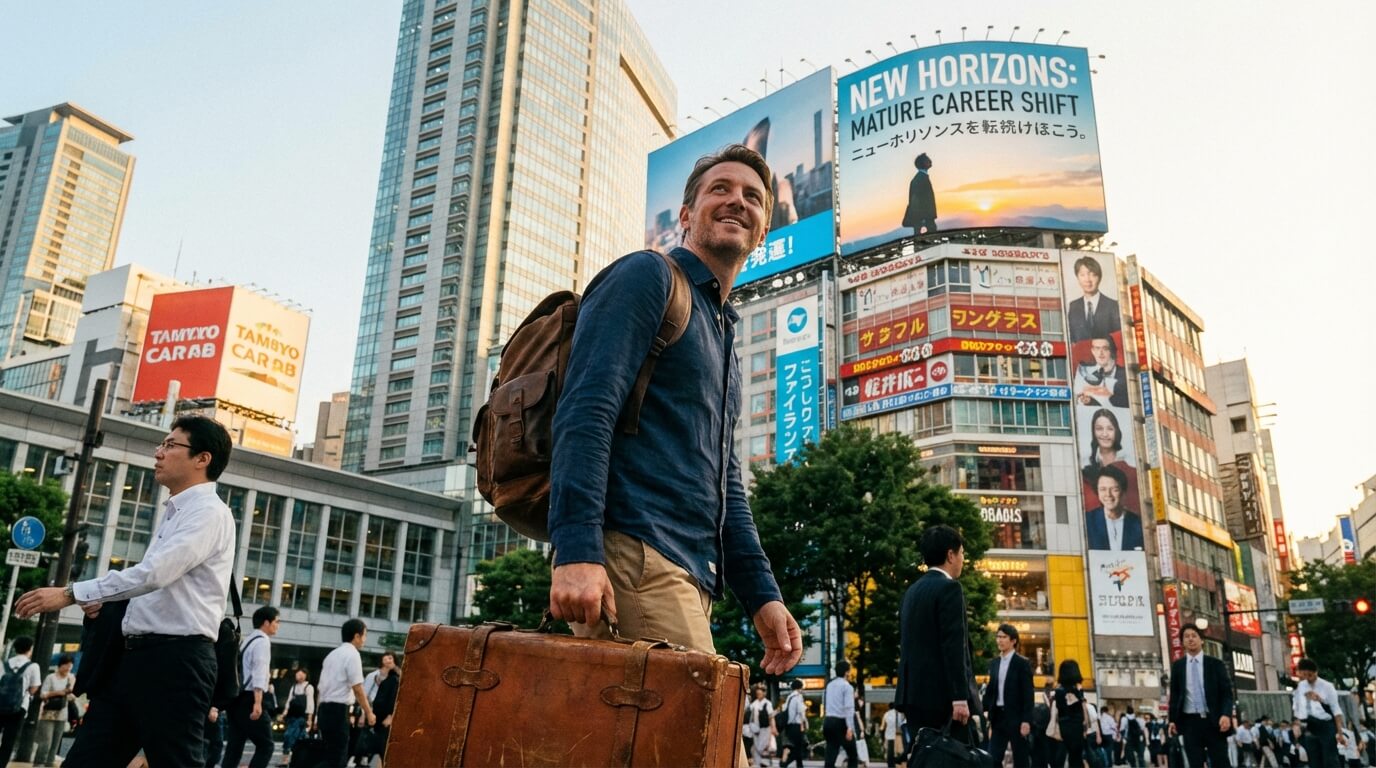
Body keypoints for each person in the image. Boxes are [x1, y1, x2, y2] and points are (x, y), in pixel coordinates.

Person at [546, 144, 801, 679]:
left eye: (753, 198)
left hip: (686, 573)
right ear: (686, 216)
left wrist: (762, 595)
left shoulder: (722, 332)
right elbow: (586, 410)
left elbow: (724, 482)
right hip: (636, 557)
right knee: (709, 745)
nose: (737, 202)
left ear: (762, 232)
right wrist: (575, 549)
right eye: (720, 190)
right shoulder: (648, 277)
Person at [15, 415, 238, 766]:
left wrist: (72, 593)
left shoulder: (209, 512)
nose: (159, 452)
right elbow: (156, 589)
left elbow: (155, 574)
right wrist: (105, 604)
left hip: (175, 664)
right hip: (134, 660)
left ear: (202, 458)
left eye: (170, 444)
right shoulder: (176, 511)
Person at [895, 525, 979, 748]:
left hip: (912, 696)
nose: (962, 559)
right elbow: (954, 645)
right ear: (950, 555)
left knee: (925, 757)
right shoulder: (950, 589)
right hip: (943, 700)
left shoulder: (911, 592)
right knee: (957, 759)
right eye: (961, 553)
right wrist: (960, 698)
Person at [223, 604, 281, 768]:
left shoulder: (247, 640)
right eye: (277, 621)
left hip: (236, 698)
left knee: (234, 746)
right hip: (249, 698)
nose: (278, 625)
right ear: (266, 623)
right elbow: (259, 672)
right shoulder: (262, 641)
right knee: (266, 745)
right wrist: (257, 702)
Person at [1168, 625, 1234, 767]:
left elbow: (1227, 693)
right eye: (1187, 636)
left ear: (1201, 640)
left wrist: (1226, 714)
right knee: (1195, 763)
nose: (1191, 639)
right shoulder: (1178, 667)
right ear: (1182, 642)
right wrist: (1172, 719)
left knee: (1220, 761)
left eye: (1194, 635)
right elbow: (1175, 695)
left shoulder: (1216, 664)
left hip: (1214, 720)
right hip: (1190, 723)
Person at [319, 619, 376, 768]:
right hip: (337, 711)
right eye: (364, 635)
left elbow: (322, 687)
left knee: (330, 756)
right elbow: (357, 688)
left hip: (324, 709)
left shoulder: (331, 655)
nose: (364, 640)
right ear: (357, 636)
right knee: (337, 759)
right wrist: (369, 712)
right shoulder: (352, 655)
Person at [982, 623, 1034, 768]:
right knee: (992, 757)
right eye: (998, 637)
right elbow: (991, 690)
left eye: (1004, 637)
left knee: (1021, 758)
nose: (1000, 640)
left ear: (1013, 641)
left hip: (1016, 717)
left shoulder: (1022, 663)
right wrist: (983, 710)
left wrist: (1026, 720)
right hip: (998, 716)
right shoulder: (994, 663)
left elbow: (1028, 693)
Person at [1080, 408, 1142, 514]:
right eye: (1099, 429)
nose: (1104, 434)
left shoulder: (1131, 464)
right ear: (1093, 432)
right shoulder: (1084, 465)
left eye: (1110, 429)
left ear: (1116, 431)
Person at [1293, 657, 1347, 768]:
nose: (1308, 678)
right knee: (1314, 761)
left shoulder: (1327, 686)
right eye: (1304, 675)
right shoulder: (1302, 686)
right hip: (1310, 725)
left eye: (1310, 675)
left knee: (1330, 760)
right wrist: (1296, 724)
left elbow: (1336, 711)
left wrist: (1340, 733)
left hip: (1326, 725)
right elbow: (1297, 708)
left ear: (1315, 672)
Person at [0, 636, 42, 765]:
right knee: (9, 739)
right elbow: (34, 688)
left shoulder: (4, 663)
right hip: (19, 707)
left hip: (1, 704)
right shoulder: (33, 666)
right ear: (30, 649)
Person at [1084, 465, 1146, 551]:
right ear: (1097, 492)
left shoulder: (1138, 523)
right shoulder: (1087, 521)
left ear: (1123, 492)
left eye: (1114, 489)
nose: (1108, 495)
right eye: (1103, 489)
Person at [31, 653, 76, 767]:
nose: (68, 668)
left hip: (62, 713)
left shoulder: (71, 678)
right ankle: (39, 763)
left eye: (70, 665)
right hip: (48, 713)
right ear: (61, 665)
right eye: (66, 665)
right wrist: (58, 693)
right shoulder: (51, 677)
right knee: (46, 741)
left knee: (56, 742)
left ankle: (49, 763)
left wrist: (70, 689)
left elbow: (72, 696)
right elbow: (43, 694)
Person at [1050, 660, 1095, 768]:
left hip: (1062, 725)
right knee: (1076, 757)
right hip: (1076, 726)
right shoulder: (1077, 691)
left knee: (1060, 755)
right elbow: (1082, 712)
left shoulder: (1058, 691)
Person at [1066, 255, 1121, 343]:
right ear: (1077, 277)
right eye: (1082, 275)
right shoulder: (1073, 306)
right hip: (1080, 356)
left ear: (1099, 278)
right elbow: (1071, 338)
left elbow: (1118, 340)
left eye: (1093, 275)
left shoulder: (1112, 305)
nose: (1087, 280)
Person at [1074, 336, 1129, 408]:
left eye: (1105, 348)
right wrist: (1089, 401)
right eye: (1097, 348)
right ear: (1092, 351)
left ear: (1112, 351)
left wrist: (1107, 396)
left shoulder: (1125, 375)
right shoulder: (1089, 378)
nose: (1100, 353)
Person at [823, 661, 858, 768]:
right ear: (846, 672)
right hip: (840, 722)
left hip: (828, 721)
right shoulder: (847, 687)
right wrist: (850, 727)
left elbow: (825, 703)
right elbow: (849, 708)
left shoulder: (829, 685)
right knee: (852, 754)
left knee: (831, 752)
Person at [282, 668, 316, 767]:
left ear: (305, 675)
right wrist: (285, 712)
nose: (299, 676)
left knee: (289, 736)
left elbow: (310, 703)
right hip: (292, 716)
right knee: (300, 738)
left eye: (301, 674)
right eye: (297, 675)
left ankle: (288, 759)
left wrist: (309, 718)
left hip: (301, 717)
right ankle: (296, 759)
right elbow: (289, 700)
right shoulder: (294, 687)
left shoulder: (308, 687)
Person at [902, 152, 937, 236]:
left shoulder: (921, 177)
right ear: (924, 163)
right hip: (924, 218)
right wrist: (923, 219)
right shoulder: (920, 179)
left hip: (925, 218)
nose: (930, 161)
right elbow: (915, 200)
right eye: (928, 159)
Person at [747, 683, 777, 768]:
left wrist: (773, 728)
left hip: (765, 728)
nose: (758, 695)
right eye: (757, 694)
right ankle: (758, 763)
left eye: (760, 694)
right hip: (755, 728)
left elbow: (771, 717)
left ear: (764, 693)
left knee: (762, 746)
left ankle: (763, 762)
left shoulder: (767, 704)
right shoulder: (754, 704)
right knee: (756, 746)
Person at [779, 679, 808, 768]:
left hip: (789, 726)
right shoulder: (798, 697)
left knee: (796, 747)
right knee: (799, 748)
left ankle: (799, 765)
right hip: (796, 726)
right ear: (800, 687)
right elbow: (801, 712)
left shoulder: (789, 697)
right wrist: (805, 723)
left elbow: (784, 710)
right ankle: (785, 763)